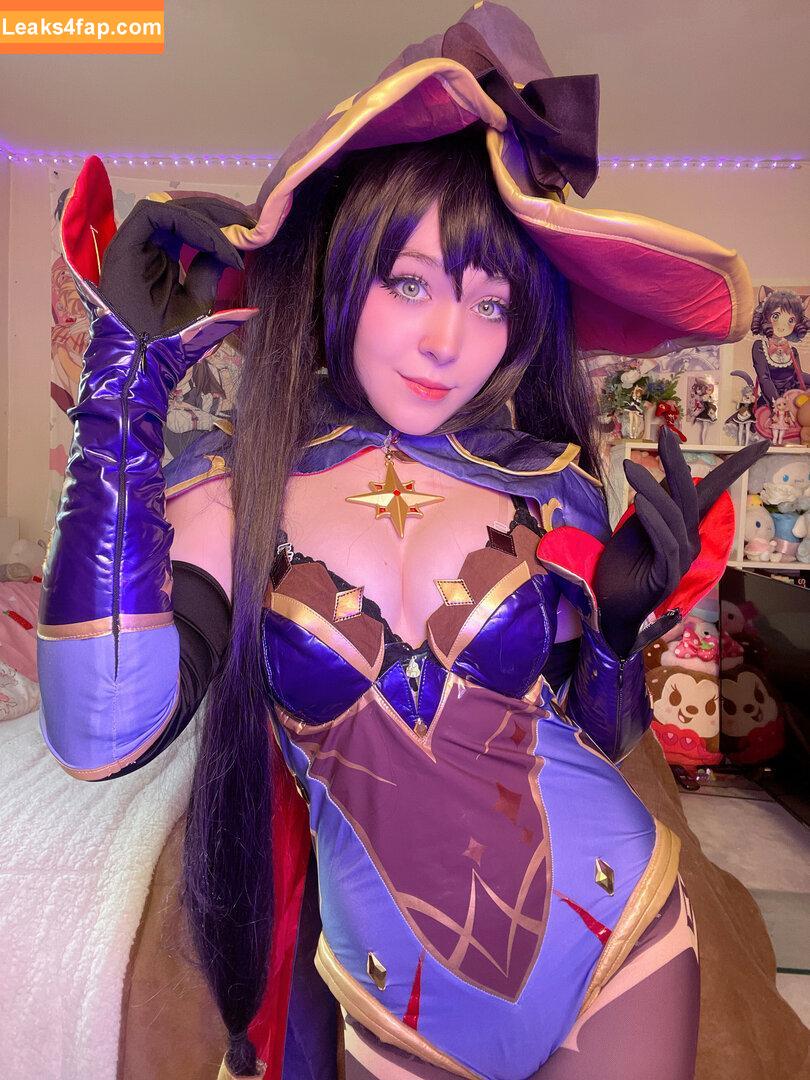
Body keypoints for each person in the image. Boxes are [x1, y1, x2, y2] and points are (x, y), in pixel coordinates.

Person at [38, 5, 765, 1078]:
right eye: (410, 282)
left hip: (626, 941)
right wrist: (122, 393)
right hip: (398, 1005)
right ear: (342, 276)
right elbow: (98, 732)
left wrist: (616, 634)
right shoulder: (233, 488)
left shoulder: (549, 481)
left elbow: (599, 736)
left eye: (490, 302)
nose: (446, 341)